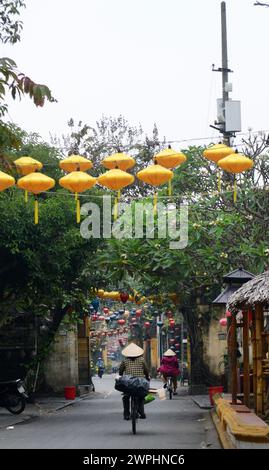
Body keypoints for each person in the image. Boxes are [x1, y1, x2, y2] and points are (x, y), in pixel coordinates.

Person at [118, 343, 150, 420]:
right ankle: (141, 412)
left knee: (126, 397)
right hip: (140, 382)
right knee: (141, 396)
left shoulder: (125, 360)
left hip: (128, 382)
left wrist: (121, 376)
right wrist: (147, 376)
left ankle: (126, 414)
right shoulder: (142, 359)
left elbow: (120, 371)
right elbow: (146, 370)